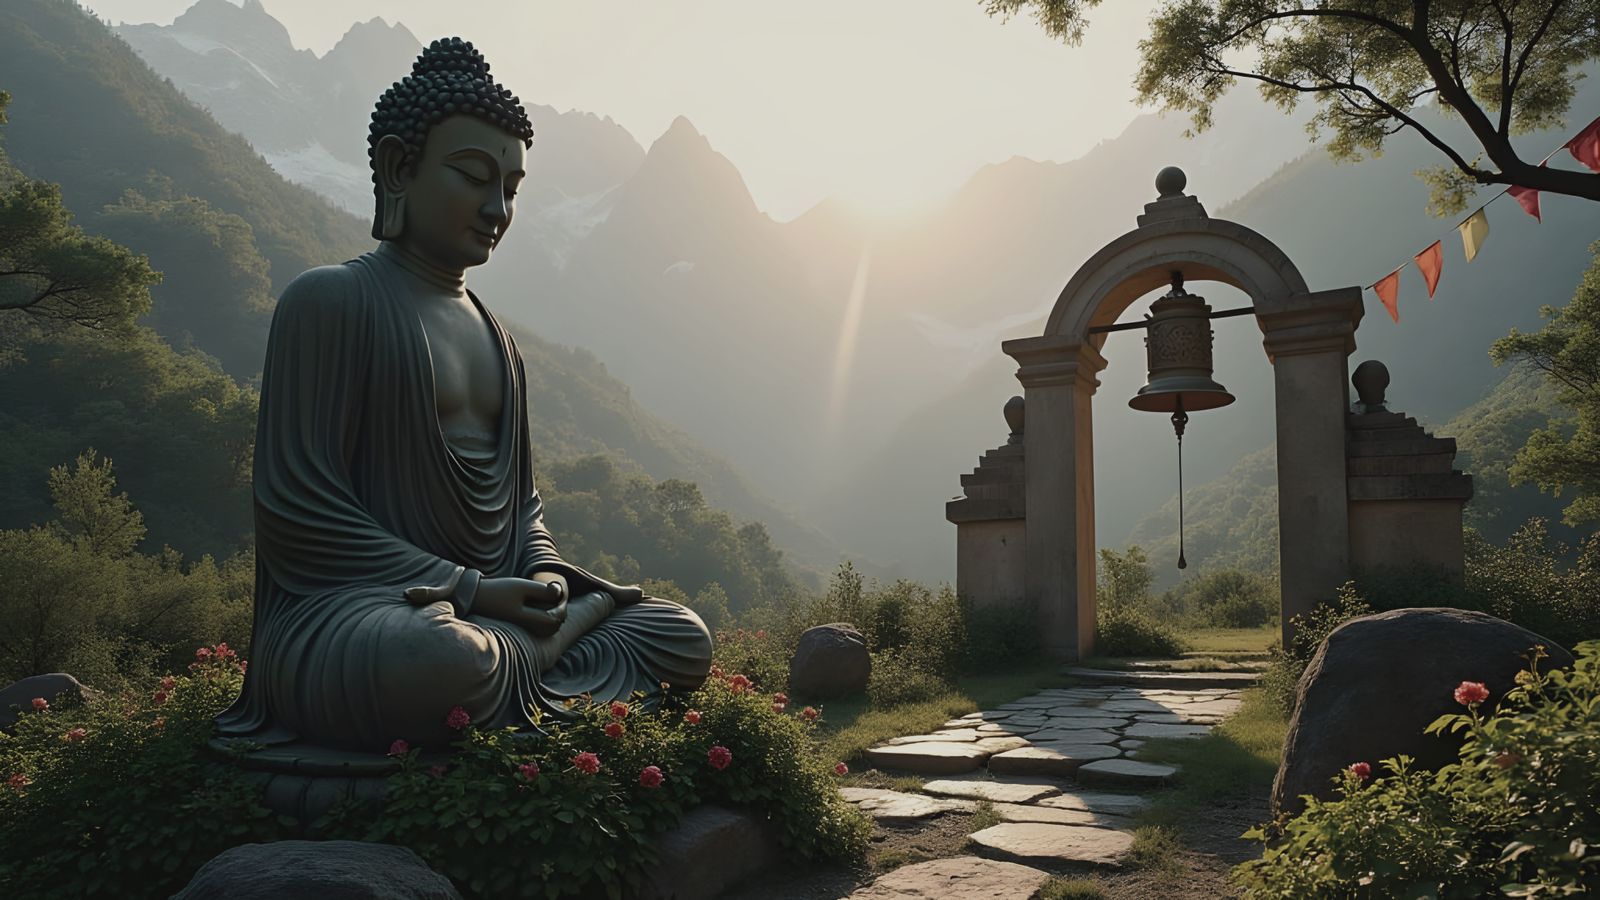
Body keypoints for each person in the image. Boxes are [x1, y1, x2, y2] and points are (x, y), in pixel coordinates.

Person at [217, 38, 713, 752]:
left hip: (495, 608)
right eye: (474, 177)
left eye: (511, 188)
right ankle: (544, 659)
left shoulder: (500, 341)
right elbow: (298, 514)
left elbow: (522, 508)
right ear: (399, 167)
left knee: (680, 635)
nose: (496, 208)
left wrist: (542, 571)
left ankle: (529, 659)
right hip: (361, 610)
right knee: (438, 660)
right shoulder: (331, 302)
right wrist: (471, 590)